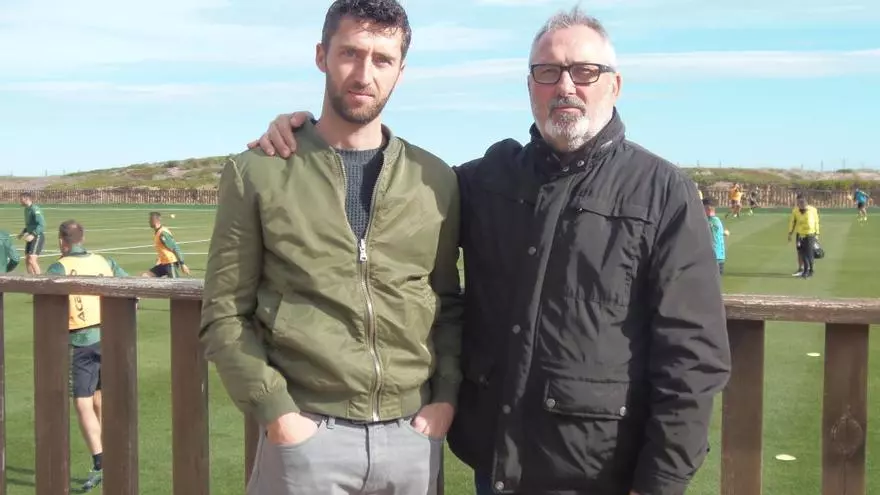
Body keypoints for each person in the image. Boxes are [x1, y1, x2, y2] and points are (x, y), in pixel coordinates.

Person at [251, 7, 731, 495]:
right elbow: (396, 181)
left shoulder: (662, 193)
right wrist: (304, 135)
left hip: (603, 474)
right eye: (547, 72)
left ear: (615, 84)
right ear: (530, 86)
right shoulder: (486, 181)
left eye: (585, 71)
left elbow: (693, 359)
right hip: (497, 469)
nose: (565, 86)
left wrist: (660, 484)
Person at [199, 1, 463, 494]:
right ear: (321, 55)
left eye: (382, 59)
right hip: (306, 437)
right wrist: (277, 413)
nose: (364, 74)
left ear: (401, 71)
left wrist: (444, 399)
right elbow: (224, 312)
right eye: (350, 53)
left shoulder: (435, 179)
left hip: (412, 438)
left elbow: (446, 302)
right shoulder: (258, 172)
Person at [45, 220, 129, 492]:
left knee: (82, 401)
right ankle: (109, 452)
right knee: (97, 396)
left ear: (62, 241)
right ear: (83, 238)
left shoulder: (59, 267)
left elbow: (49, 303)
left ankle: (101, 461)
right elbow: (128, 283)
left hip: (81, 339)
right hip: (108, 334)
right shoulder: (104, 261)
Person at [141, 212, 190, 278]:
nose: (148, 221)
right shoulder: (158, 231)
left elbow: (175, 248)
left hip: (170, 263)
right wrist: (159, 258)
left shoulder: (163, 233)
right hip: (163, 263)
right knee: (145, 276)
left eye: (150, 220)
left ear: (154, 220)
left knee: (174, 283)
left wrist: (182, 264)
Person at [788, 194, 820, 279]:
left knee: (809, 253)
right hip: (800, 235)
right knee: (801, 253)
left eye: (801, 201)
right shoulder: (796, 211)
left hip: (810, 234)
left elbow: (816, 222)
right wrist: (790, 232)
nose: (799, 203)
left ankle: (810, 270)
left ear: (805, 201)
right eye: (798, 202)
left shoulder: (812, 210)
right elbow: (792, 222)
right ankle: (803, 270)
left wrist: (817, 234)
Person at [17, 192, 45, 274]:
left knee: (32, 259)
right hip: (30, 236)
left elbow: (41, 224)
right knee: (27, 260)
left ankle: (41, 280)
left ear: (26, 199)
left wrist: (33, 234)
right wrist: (22, 233)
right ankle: (31, 279)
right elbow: (30, 225)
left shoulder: (35, 209)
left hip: (37, 236)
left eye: (21, 199)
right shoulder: (26, 209)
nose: (20, 200)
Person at [704, 198, 728, 274]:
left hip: (713, 257)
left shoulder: (710, 221)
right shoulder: (716, 220)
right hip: (719, 257)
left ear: (708, 209)